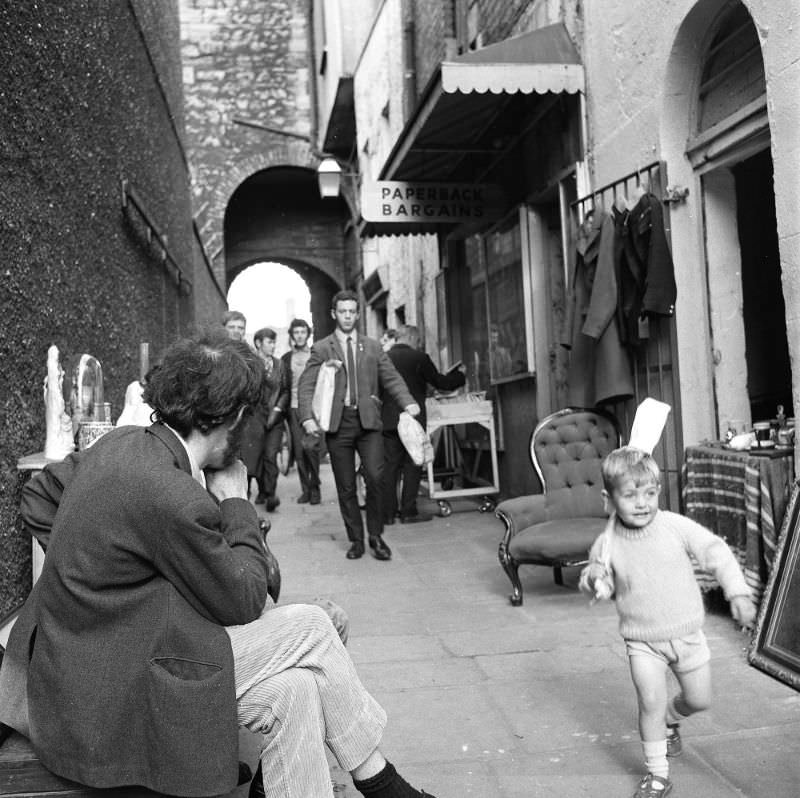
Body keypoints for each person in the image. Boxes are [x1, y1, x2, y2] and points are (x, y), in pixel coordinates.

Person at [0, 332, 437, 798]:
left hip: (79, 663)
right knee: (312, 626)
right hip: (108, 696)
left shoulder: (121, 443)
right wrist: (234, 502)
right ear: (233, 418)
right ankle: (379, 780)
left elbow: (40, 496)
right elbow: (246, 600)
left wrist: (118, 580)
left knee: (297, 690)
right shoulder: (171, 494)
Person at [579, 446, 757, 798]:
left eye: (650, 492)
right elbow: (601, 582)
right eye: (630, 495)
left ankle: (672, 720)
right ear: (609, 499)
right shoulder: (607, 542)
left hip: (687, 634)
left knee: (699, 699)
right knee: (649, 703)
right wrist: (595, 580)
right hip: (641, 640)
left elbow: (716, 552)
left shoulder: (674, 526)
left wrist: (737, 592)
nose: (642, 502)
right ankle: (657, 774)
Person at [298, 290, 419, 560]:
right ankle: (356, 539)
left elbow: (391, 377)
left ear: (357, 313)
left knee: (376, 477)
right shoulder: (321, 348)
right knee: (346, 486)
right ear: (334, 313)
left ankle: (375, 535)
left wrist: (408, 402)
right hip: (338, 424)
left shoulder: (373, 346)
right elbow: (306, 385)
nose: (348, 316)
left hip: (368, 422)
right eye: (343, 311)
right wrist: (307, 417)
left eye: (352, 311)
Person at [382, 324, 465, 524]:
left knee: (391, 466)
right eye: (418, 340)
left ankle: (388, 513)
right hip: (413, 420)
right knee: (413, 463)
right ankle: (408, 511)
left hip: (389, 421)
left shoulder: (383, 358)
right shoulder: (419, 358)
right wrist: (460, 375)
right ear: (412, 338)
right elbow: (441, 382)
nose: (418, 344)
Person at [242, 327, 288, 511]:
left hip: (275, 418)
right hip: (254, 419)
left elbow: (285, 389)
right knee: (254, 456)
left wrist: (278, 408)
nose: (273, 346)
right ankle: (252, 492)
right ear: (258, 343)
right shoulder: (251, 365)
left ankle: (271, 495)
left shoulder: (279, 365)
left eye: (274, 342)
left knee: (270, 455)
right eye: (269, 342)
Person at [280, 318, 322, 504]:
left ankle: (316, 487)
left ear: (308, 334)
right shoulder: (286, 359)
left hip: (313, 410)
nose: (299, 336)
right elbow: (283, 387)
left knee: (311, 449)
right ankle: (306, 489)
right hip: (293, 409)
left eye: (303, 332)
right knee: (299, 452)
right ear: (292, 335)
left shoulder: (316, 354)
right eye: (296, 332)